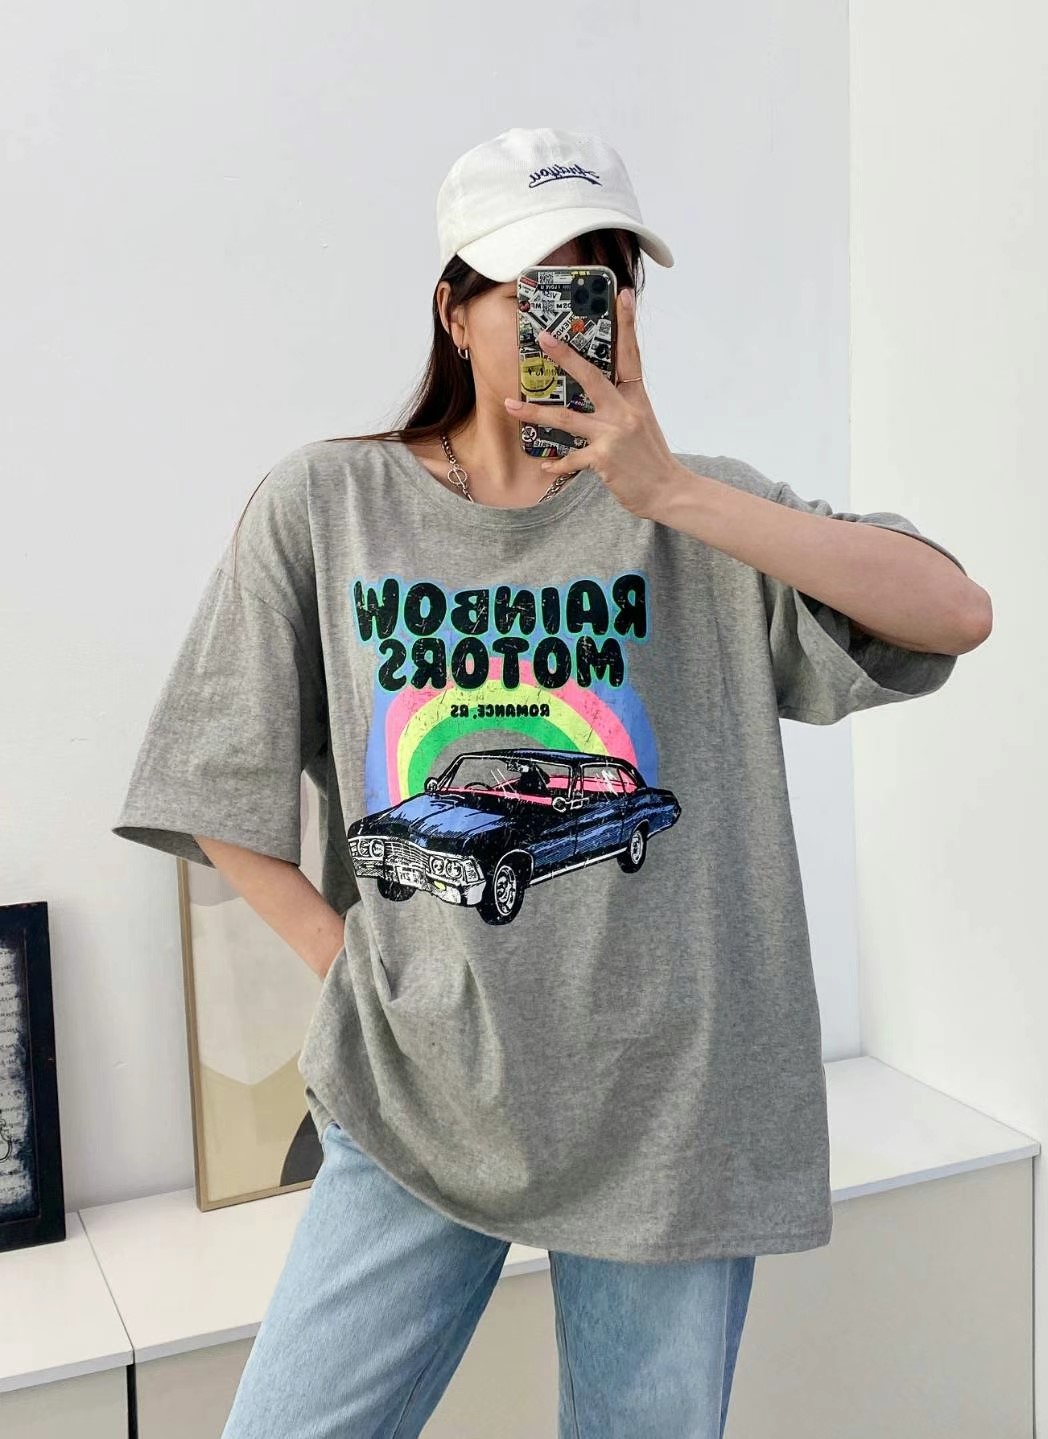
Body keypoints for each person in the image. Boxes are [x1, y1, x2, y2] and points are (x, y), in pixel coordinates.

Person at [112, 126, 991, 1437]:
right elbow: (210, 769)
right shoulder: (327, 505)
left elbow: (953, 612)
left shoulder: (703, 511)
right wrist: (351, 965)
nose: (567, 321)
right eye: (533, 286)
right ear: (455, 310)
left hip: (671, 1103)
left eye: (600, 282)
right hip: (417, 1091)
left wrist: (670, 490)